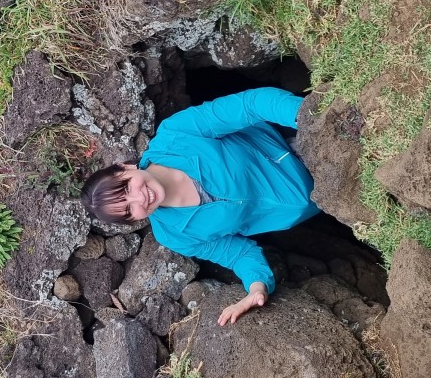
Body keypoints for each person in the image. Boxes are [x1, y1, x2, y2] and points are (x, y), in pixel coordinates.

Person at [80, 87, 319, 326]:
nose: (139, 199)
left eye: (126, 188)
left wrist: (307, 117)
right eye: (129, 210)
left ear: (125, 168)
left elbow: (249, 106)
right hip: (318, 202)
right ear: (133, 220)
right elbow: (239, 254)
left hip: (302, 145)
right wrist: (257, 288)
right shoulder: (173, 234)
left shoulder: (175, 135)